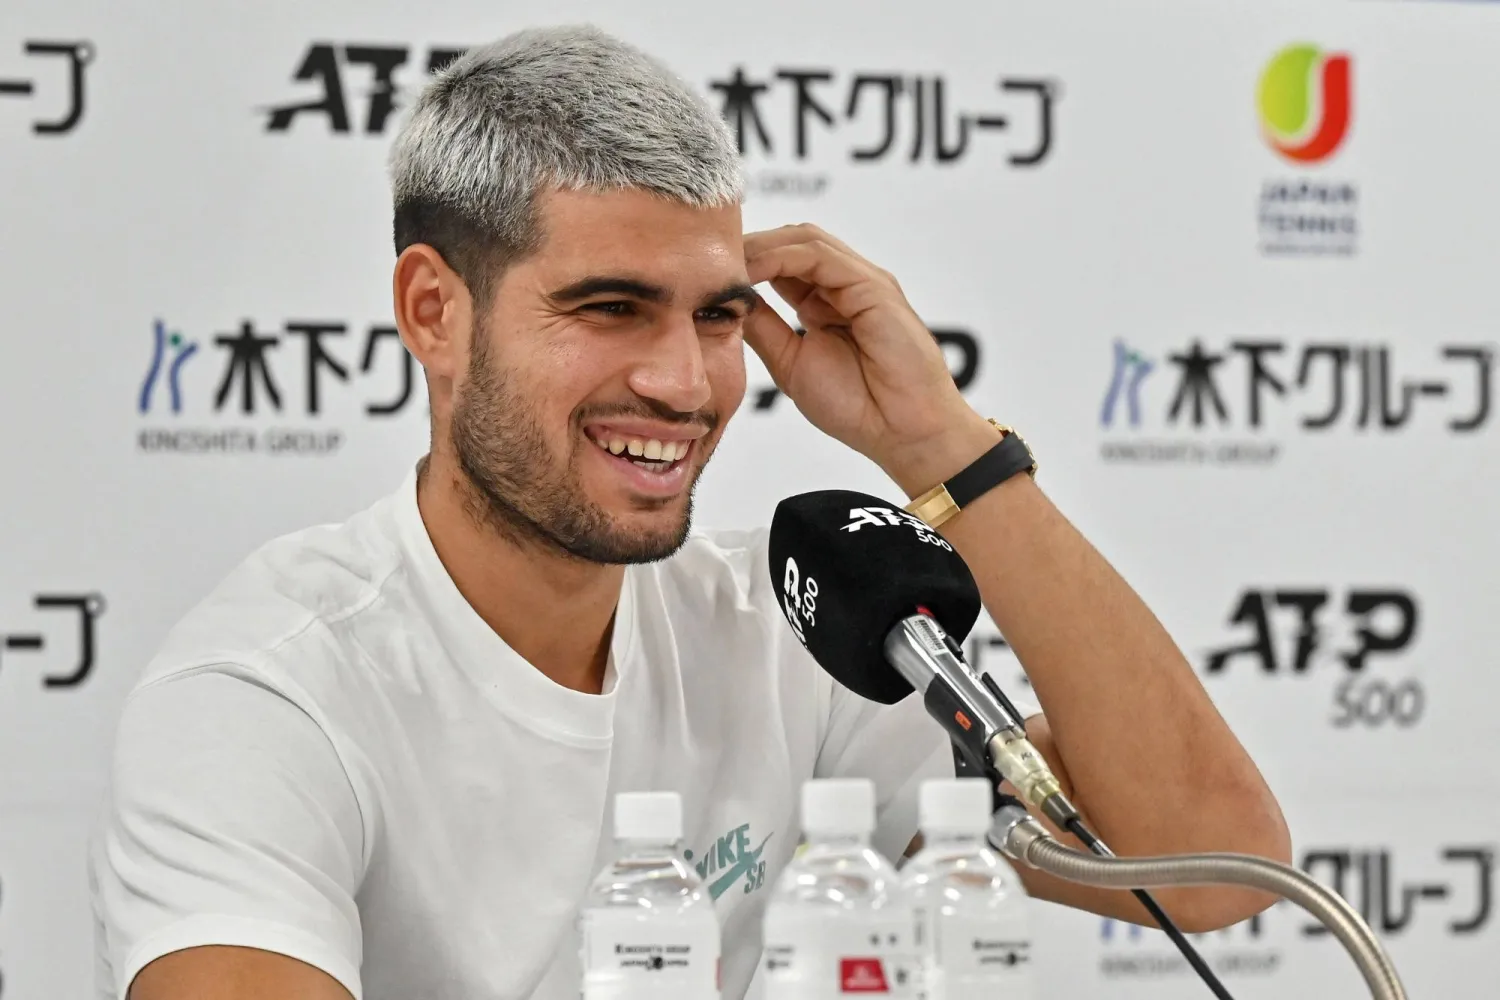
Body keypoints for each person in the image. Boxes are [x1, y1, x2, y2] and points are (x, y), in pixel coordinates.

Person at [90, 24, 1290, 1000]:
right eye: (611, 306)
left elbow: (1211, 873)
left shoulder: (790, 627)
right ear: (433, 311)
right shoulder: (262, 696)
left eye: (717, 315)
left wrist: (944, 452)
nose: (686, 381)